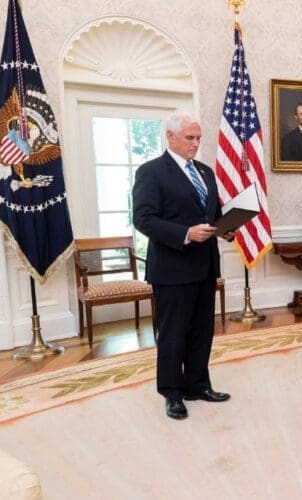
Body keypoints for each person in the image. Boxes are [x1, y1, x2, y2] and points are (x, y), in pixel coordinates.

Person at [132, 113, 233, 420]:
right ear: (170, 137)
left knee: (203, 330)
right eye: (190, 138)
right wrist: (185, 233)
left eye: (198, 138)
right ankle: (172, 393)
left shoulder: (205, 171)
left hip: (204, 266)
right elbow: (143, 219)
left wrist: (226, 226)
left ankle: (198, 385)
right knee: (174, 333)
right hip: (172, 268)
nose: (195, 143)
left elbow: (212, 212)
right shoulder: (151, 172)